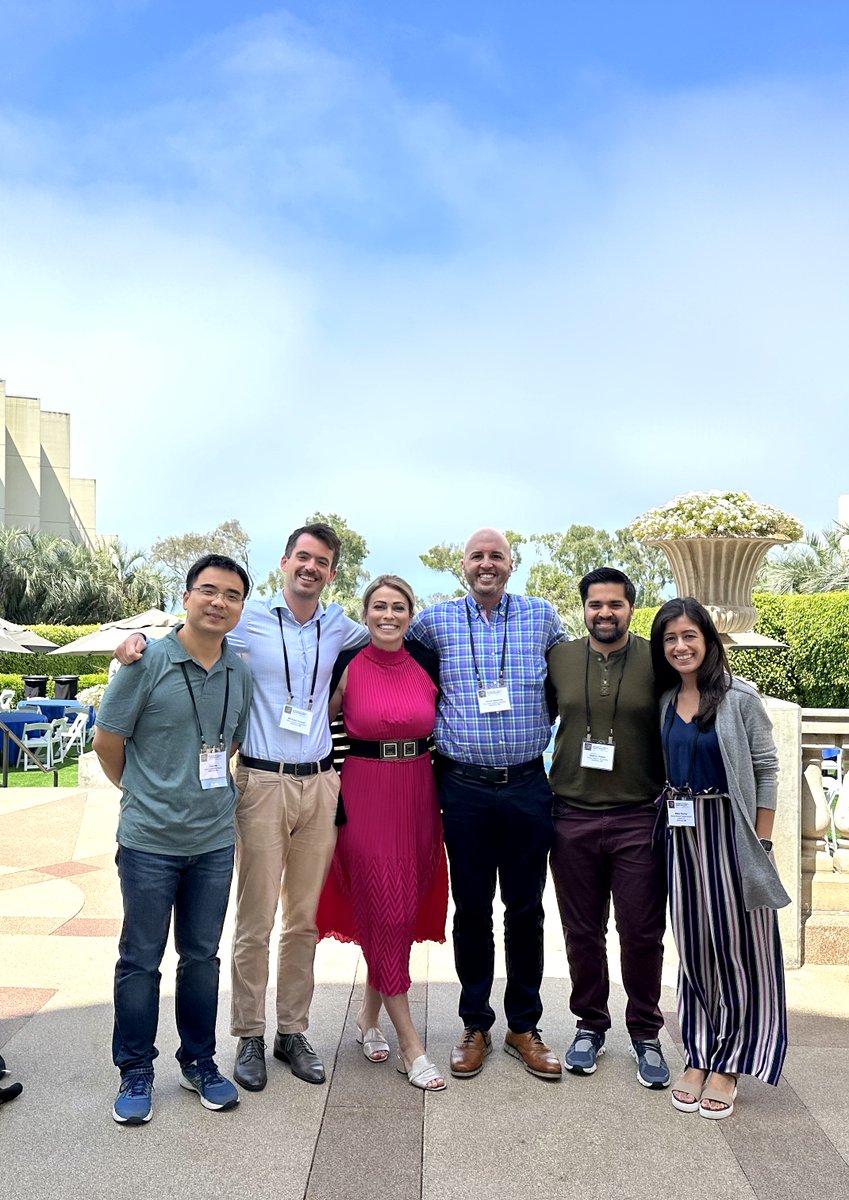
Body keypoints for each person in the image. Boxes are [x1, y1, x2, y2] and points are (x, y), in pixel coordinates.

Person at [114, 522, 368, 1090]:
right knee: (254, 920)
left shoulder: (338, 626)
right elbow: (186, 633)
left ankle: (291, 1031)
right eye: (302, 557)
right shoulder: (246, 619)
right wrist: (131, 642)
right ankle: (249, 1035)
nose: (311, 568)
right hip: (260, 782)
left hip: (321, 783)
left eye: (322, 562)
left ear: (332, 572)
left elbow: (392, 632)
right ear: (284, 563)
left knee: (304, 920)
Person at [94, 554, 253, 1124]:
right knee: (140, 959)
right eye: (208, 590)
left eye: (231, 594)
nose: (219, 602)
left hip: (213, 842)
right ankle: (135, 1069)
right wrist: (142, 793)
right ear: (186, 596)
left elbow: (228, 745)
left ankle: (199, 1062)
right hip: (148, 843)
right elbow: (108, 742)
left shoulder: (241, 672)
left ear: (240, 607)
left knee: (202, 957)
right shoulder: (146, 662)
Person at [410, 528, 565, 1081]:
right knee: (472, 909)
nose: (486, 564)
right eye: (477, 555)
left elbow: (579, 672)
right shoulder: (433, 621)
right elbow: (377, 643)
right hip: (464, 787)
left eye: (496, 555)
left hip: (527, 784)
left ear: (511, 563)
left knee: (526, 909)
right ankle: (475, 1022)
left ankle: (524, 1025)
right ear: (462, 564)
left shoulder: (544, 617)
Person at [649, 597, 789, 1120]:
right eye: (670, 639)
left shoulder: (739, 697)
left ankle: (730, 1062)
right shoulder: (665, 699)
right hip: (680, 835)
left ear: (707, 640)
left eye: (689, 636)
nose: (681, 647)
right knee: (695, 945)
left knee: (739, 949)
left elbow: (767, 770)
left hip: (732, 834)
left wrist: (762, 842)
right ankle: (700, 1050)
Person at [316, 575, 449, 1090]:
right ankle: (410, 1046)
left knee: (399, 911)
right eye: (378, 607)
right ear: (365, 613)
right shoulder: (347, 665)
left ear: (410, 615)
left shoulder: (426, 662)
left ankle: (367, 1020)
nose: (388, 615)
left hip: (418, 794)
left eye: (398, 607)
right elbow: (311, 728)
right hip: (365, 795)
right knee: (384, 906)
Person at [547, 568, 670, 1088]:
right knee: (581, 932)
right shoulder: (559, 658)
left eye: (615, 604)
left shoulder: (657, 658)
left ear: (631, 609)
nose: (605, 613)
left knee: (642, 932)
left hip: (639, 816)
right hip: (570, 813)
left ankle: (645, 1032)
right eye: (596, 604)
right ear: (584, 608)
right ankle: (589, 1026)